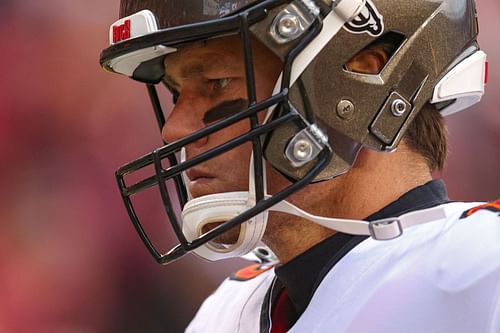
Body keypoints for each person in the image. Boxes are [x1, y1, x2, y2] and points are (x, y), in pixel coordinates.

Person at [100, 0, 500, 332]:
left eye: (217, 82)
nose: (175, 128)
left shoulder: (480, 265)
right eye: (175, 96)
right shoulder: (223, 315)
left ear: (362, 78)